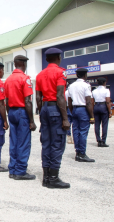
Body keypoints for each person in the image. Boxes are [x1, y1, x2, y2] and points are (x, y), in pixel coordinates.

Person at [36, 47, 70, 189]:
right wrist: (65, 118)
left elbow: (38, 97)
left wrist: (41, 114)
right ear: (58, 58)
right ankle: (53, 178)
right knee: (57, 143)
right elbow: (60, 95)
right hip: (56, 109)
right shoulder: (60, 72)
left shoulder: (40, 75)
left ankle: (46, 177)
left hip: (44, 108)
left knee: (47, 143)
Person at [5, 56, 37, 179]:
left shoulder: (8, 79)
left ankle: (12, 169)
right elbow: (28, 101)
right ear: (24, 64)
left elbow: (6, 101)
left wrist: (9, 115)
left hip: (12, 111)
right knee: (23, 143)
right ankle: (20, 171)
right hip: (22, 112)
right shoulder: (25, 78)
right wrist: (32, 121)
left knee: (14, 142)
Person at [68, 68, 95, 162]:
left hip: (75, 109)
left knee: (75, 131)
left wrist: (72, 112)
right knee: (83, 132)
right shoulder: (86, 85)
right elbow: (88, 102)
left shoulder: (71, 86)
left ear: (76, 75)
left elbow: (69, 101)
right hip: (83, 109)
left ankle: (77, 153)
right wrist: (91, 116)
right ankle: (82, 154)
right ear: (85, 75)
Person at [92, 77, 112, 147]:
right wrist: (110, 112)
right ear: (104, 83)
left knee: (96, 125)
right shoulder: (106, 90)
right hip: (103, 107)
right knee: (104, 125)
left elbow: (92, 102)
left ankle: (98, 140)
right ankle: (103, 141)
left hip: (96, 106)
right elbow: (107, 101)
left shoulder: (94, 91)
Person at [65, 79, 76, 144]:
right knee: (75, 124)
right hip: (73, 107)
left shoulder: (66, 92)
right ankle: (75, 138)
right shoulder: (74, 91)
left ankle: (69, 137)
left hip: (66, 108)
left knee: (68, 123)